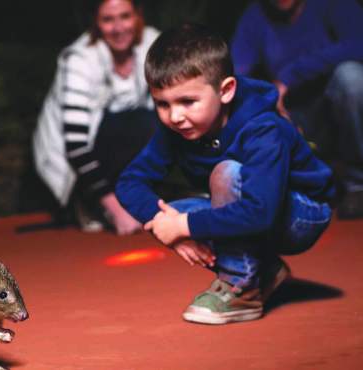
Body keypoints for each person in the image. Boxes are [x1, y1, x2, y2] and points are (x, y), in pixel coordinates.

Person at [116, 23, 335, 325]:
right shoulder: (178, 128)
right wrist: (169, 228)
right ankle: (266, 271)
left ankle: (241, 289)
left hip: (301, 214)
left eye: (187, 102)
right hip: (256, 210)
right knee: (167, 213)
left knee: (226, 174)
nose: (175, 116)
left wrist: (185, 226)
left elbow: (261, 211)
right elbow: (130, 182)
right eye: (162, 104)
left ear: (226, 90)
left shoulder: (263, 128)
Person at [33, 0, 160, 235]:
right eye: (108, 19)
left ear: (138, 15)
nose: (119, 28)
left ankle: (139, 196)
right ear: (95, 23)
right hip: (72, 157)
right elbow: (75, 144)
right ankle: (91, 202)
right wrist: (116, 210)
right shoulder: (79, 59)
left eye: (125, 16)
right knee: (138, 123)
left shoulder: (152, 43)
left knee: (157, 119)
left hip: (118, 139)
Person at [231, 0, 363, 219]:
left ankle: (358, 183)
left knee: (352, 79)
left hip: (340, 111)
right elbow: (236, 72)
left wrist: (290, 76)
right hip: (297, 117)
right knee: (245, 103)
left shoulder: (336, 4)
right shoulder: (255, 15)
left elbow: (359, 44)